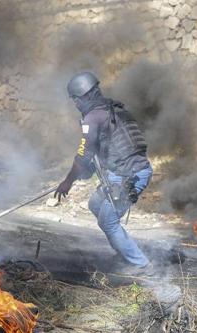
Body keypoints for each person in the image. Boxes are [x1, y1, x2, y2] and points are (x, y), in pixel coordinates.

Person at [54, 71, 154, 276]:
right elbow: (109, 149)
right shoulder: (113, 110)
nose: (75, 104)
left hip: (129, 176)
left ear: (84, 95)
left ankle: (141, 264)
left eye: (75, 99)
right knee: (95, 204)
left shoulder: (93, 117)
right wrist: (89, 171)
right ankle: (124, 252)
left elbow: (83, 155)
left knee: (108, 221)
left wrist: (68, 182)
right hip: (122, 173)